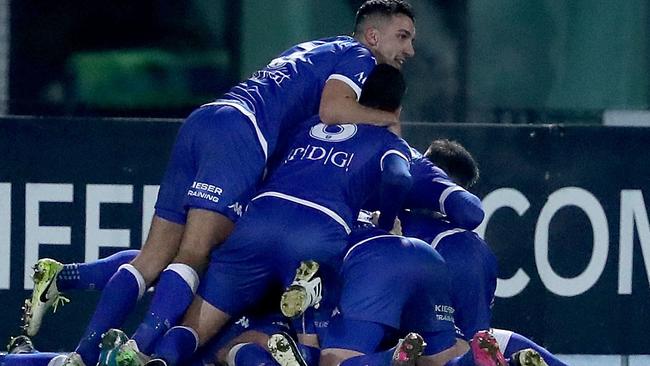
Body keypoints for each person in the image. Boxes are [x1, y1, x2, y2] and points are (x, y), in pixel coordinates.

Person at [23, 2, 416, 365]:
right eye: (403, 36)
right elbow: (334, 110)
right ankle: (138, 351)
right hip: (242, 136)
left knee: (154, 257)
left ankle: (82, 352)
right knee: (196, 254)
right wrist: (390, 123)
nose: (410, 50)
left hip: (208, 118)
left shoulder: (317, 47)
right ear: (372, 37)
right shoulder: (359, 58)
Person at [136, 63, 413, 366]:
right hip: (317, 233)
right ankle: (307, 337)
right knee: (334, 300)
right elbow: (398, 178)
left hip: (260, 221)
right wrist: (386, 222)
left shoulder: (307, 125)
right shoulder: (389, 142)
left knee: (197, 323)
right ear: (397, 107)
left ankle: (163, 357)